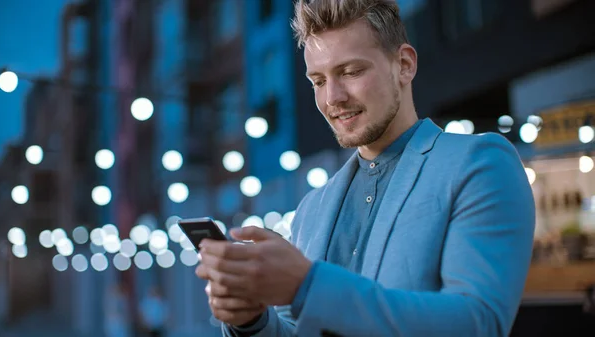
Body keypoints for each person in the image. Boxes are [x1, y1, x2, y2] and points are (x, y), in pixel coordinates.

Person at [195, 0, 535, 336]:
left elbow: (478, 324)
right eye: (318, 81)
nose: (332, 98)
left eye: (351, 72)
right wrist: (251, 322)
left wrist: (308, 286)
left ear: (404, 64)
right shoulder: (311, 209)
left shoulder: (479, 163)